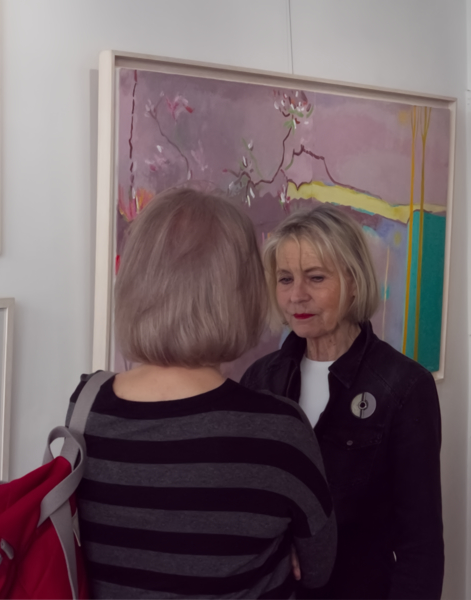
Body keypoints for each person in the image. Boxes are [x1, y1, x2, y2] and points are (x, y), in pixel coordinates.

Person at [68, 187, 337, 599]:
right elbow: (317, 569)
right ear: (242, 294)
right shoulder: (278, 431)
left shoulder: (86, 405)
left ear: (136, 283)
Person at [240, 204, 444, 599]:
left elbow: (421, 548)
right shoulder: (259, 380)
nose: (297, 295)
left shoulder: (404, 386)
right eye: (285, 279)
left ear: (353, 281)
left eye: (316, 277)